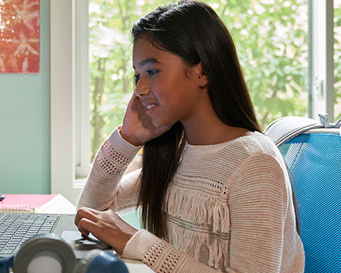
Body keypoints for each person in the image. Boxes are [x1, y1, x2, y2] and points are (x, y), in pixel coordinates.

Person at [75, 1, 305, 272]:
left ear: (202, 71)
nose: (139, 89)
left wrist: (138, 242)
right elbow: (91, 213)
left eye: (151, 71)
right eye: (137, 75)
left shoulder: (255, 163)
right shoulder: (180, 153)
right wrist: (127, 140)